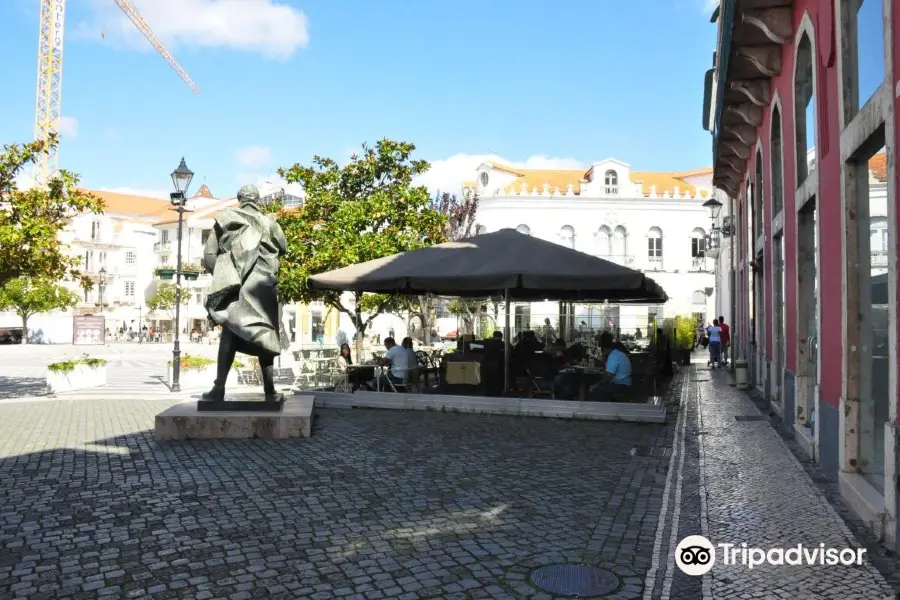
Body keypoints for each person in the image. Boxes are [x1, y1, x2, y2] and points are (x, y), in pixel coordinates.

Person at [200, 184, 288, 404]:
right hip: (263, 287)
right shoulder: (270, 223)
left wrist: (224, 275)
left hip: (237, 287)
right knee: (266, 334)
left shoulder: (226, 218)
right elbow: (284, 247)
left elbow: (209, 255)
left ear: (239, 199)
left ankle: (218, 388)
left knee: (230, 333)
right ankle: (270, 390)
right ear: (257, 199)